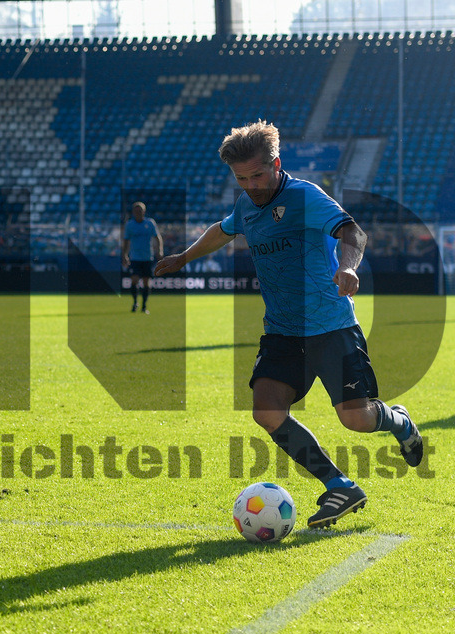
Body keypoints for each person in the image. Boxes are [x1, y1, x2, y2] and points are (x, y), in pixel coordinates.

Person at [155, 120, 423, 529]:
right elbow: (224, 229)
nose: (251, 185)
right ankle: (339, 485)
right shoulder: (247, 204)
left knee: (356, 419)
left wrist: (348, 269)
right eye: (241, 178)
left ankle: (398, 421)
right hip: (282, 330)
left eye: (257, 175)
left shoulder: (304, 196)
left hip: (330, 325)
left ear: (276, 164)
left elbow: (353, 232)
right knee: (266, 410)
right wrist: (183, 258)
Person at [120, 201, 163, 313]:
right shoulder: (129, 225)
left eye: (140, 211)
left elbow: (157, 237)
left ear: (144, 211)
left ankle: (144, 306)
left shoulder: (150, 223)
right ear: (133, 212)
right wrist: (124, 255)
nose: (138, 213)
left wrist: (159, 251)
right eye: (136, 211)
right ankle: (135, 302)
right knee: (134, 280)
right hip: (135, 258)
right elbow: (126, 241)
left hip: (147, 257)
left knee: (146, 282)